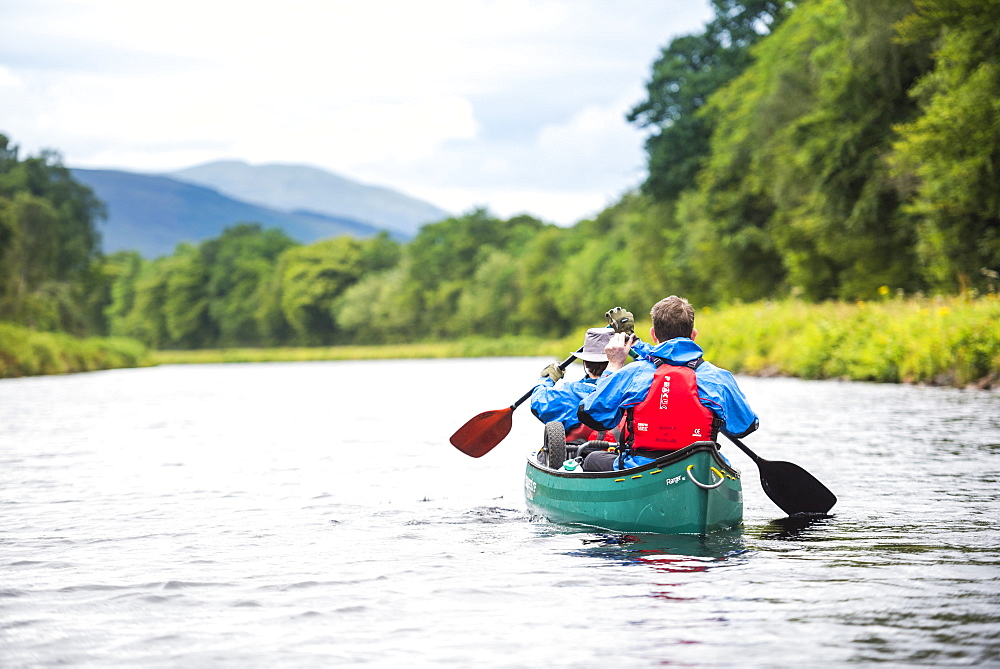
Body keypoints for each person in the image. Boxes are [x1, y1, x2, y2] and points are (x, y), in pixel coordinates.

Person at [577, 295, 758, 471]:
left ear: (654, 335)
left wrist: (613, 366)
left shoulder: (632, 373)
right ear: (693, 335)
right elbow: (744, 426)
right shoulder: (718, 377)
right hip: (701, 469)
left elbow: (594, 414)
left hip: (642, 468)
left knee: (592, 458)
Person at [530, 327, 620, 444]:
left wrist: (547, 379)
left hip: (574, 456)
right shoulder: (630, 391)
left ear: (585, 363)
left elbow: (538, 403)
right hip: (617, 456)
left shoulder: (568, 393)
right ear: (618, 359)